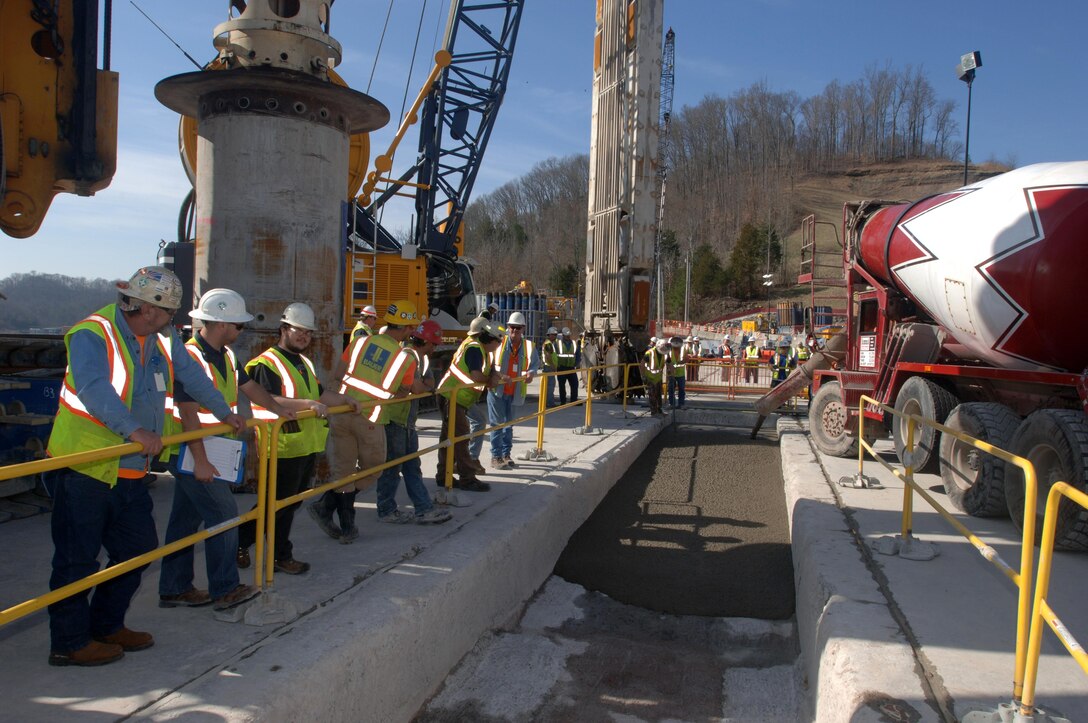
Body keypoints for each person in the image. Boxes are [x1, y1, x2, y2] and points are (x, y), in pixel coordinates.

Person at [44, 266, 245, 667]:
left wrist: (226, 412)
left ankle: (106, 625)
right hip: (84, 465)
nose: (174, 321)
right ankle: (68, 642)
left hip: (130, 468)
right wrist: (134, 430)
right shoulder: (93, 333)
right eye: (170, 313)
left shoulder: (162, 336)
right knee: (77, 559)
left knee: (136, 549)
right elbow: (93, 388)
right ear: (150, 310)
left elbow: (189, 375)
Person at [159, 289, 297, 613]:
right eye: (238, 325)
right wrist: (202, 461)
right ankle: (225, 589)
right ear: (222, 323)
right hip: (197, 450)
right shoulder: (190, 357)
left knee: (183, 521)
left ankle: (174, 587)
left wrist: (277, 408)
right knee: (223, 515)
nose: (241, 331)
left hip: (215, 448)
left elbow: (250, 388)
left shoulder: (228, 355)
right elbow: (187, 412)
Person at [239, 302, 358, 568]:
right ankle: (277, 554)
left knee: (288, 504)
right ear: (283, 329)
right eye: (298, 330)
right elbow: (269, 398)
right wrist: (307, 405)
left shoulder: (303, 362)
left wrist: (345, 399)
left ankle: (247, 544)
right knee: (278, 505)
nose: (304, 336)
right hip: (280, 444)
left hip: (304, 444)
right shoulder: (265, 363)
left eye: (308, 332)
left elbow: (317, 395)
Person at [312, 300, 419, 540]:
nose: (412, 331)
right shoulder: (405, 358)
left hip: (340, 412)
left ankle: (344, 525)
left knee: (343, 470)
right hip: (369, 417)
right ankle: (328, 506)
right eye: (411, 327)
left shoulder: (359, 342)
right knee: (374, 469)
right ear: (404, 328)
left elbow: (339, 374)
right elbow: (406, 390)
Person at [372, 319, 452, 524]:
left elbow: (430, 383)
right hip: (395, 419)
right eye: (434, 344)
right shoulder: (406, 355)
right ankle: (387, 509)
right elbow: (418, 387)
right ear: (426, 342)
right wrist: (422, 386)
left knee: (410, 466)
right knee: (392, 467)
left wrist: (422, 385)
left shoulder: (420, 358)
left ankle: (423, 509)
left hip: (406, 421)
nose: (435, 348)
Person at [435, 317, 504, 491]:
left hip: (453, 396)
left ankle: (443, 476)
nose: (499, 345)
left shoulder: (479, 348)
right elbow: (476, 375)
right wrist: (490, 381)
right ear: (491, 339)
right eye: (499, 341)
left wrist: (494, 374)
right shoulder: (474, 348)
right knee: (461, 437)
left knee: (449, 438)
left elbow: (486, 369)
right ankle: (467, 478)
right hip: (453, 397)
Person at [487, 311, 538, 469]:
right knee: (497, 424)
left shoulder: (529, 347)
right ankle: (496, 457)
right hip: (497, 391)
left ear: (523, 329)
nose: (514, 331)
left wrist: (531, 373)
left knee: (509, 425)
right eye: (512, 328)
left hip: (515, 392)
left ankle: (506, 455)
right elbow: (488, 365)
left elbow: (535, 365)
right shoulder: (498, 343)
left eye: (518, 328)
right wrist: (501, 375)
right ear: (507, 327)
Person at [641, 338, 667, 416]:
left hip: (658, 378)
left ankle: (659, 410)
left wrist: (672, 372)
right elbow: (642, 364)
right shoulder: (649, 353)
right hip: (650, 377)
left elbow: (669, 363)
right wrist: (643, 376)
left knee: (658, 394)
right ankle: (654, 412)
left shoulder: (664, 352)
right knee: (652, 395)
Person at [556, 327, 578, 404]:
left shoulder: (574, 343)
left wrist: (576, 363)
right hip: (561, 367)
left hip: (571, 367)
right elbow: (555, 355)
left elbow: (577, 354)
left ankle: (574, 400)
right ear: (563, 335)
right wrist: (557, 365)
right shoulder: (558, 344)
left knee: (575, 384)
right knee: (562, 386)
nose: (568, 337)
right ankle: (563, 401)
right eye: (566, 336)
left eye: (569, 335)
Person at [666, 336, 687, 409]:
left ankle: (681, 404)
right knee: (671, 389)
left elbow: (686, 359)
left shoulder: (683, 349)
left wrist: (680, 362)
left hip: (681, 373)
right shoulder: (669, 351)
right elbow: (667, 361)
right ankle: (671, 404)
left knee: (681, 389)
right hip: (671, 373)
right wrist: (670, 367)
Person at [541, 327, 559, 408]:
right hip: (549, 367)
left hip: (548, 367)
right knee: (550, 386)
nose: (555, 336)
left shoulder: (550, 343)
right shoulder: (548, 344)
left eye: (555, 335)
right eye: (553, 335)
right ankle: (549, 403)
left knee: (549, 386)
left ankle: (547, 402)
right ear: (549, 335)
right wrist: (553, 366)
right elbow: (548, 356)